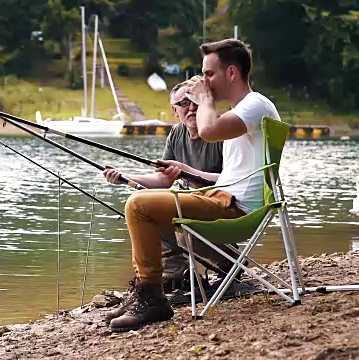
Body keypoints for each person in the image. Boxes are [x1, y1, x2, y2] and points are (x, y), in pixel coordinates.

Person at [106, 38, 282, 332]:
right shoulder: (244, 112)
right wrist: (134, 178)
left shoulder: (253, 105)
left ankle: (151, 298)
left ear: (232, 73)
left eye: (209, 74)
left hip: (234, 209)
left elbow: (208, 131)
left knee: (138, 206)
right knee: (146, 202)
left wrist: (205, 99)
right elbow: (230, 175)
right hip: (225, 198)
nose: (204, 81)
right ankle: (148, 292)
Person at [103, 80, 234, 295]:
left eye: (195, 101)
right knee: (149, 203)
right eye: (183, 103)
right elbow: (163, 180)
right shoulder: (176, 133)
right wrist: (125, 178)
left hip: (220, 206)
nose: (191, 108)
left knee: (174, 213)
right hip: (190, 203)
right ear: (174, 110)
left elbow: (232, 178)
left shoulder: (220, 131)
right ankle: (177, 273)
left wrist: (185, 172)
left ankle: (228, 263)